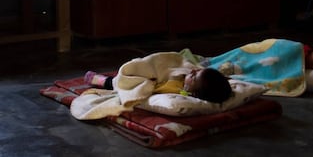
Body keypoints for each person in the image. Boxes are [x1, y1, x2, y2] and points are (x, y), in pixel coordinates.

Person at [84, 65, 232, 103]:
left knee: (118, 82)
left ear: (193, 92)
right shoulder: (185, 80)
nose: (192, 72)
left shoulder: (176, 89)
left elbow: (152, 88)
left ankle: (102, 81)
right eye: (196, 71)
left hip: (144, 82)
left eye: (193, 76)